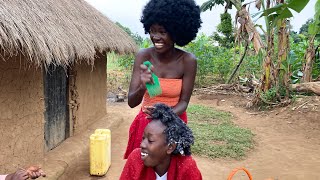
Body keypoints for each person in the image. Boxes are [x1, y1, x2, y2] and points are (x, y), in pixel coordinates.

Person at [124, 0, 202, 159]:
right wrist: (143, 88)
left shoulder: (187, 61)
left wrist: (163, 116)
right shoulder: (144, 56)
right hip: (146, 125)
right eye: (152, 31)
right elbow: (132, 102)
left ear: (176, 32)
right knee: (143, 170)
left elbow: (184, 103)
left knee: (171, 169)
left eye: (162, 32)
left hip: (174, 123)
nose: (156, 37)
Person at [120, 103, 202, 180]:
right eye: (143, 138)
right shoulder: (135, 159)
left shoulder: (186, 166)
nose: (142, 145)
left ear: (170, 147)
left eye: (150, 140)